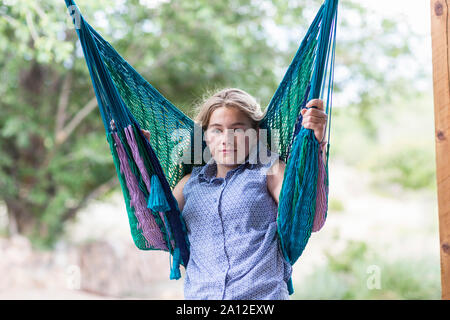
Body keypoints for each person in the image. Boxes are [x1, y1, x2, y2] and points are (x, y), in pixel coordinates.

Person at [111, 88, 328, 299]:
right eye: (217, 129)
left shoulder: (270, 170)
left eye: (238, 129)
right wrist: (137, 161)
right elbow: (153, 233)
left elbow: (308, 217)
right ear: (205, 136)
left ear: (255, 135)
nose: (227, 139)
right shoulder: (189, 184)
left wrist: (315, 145)